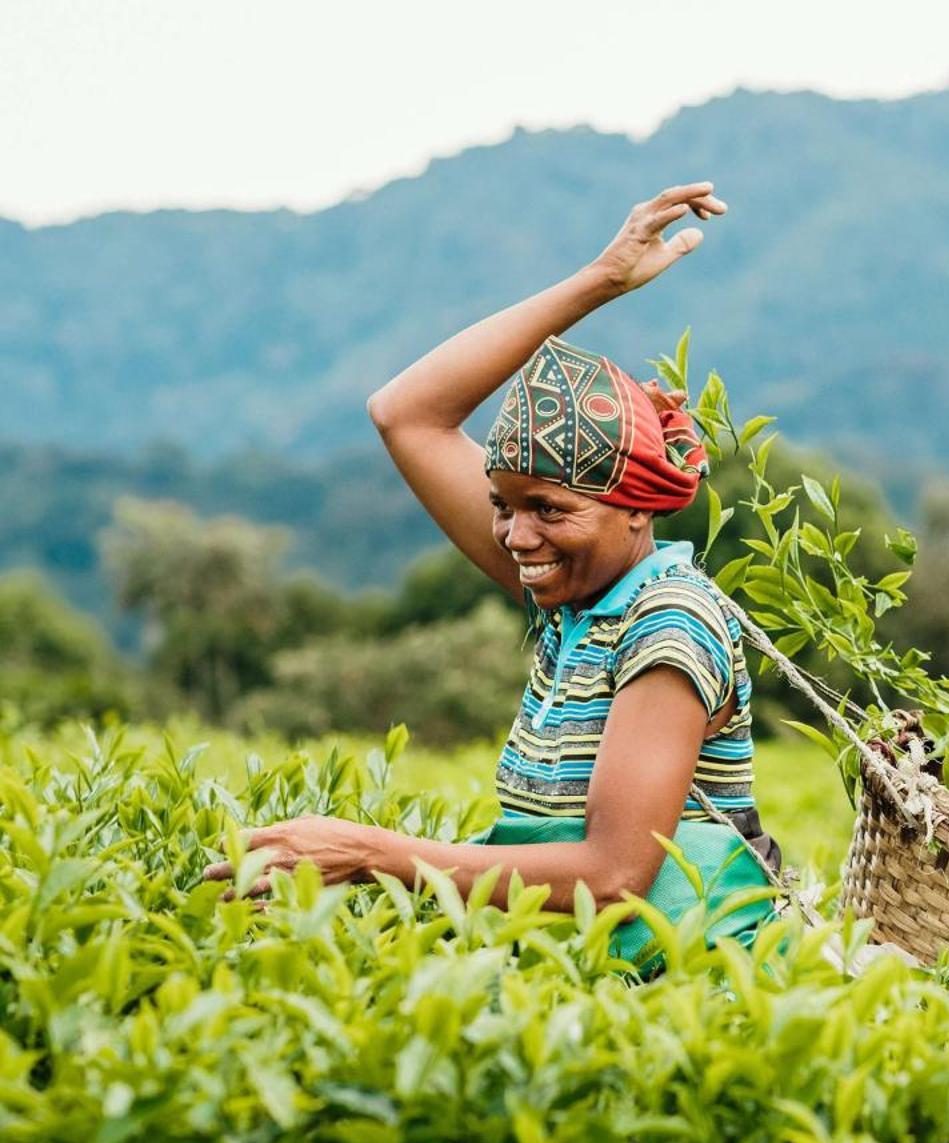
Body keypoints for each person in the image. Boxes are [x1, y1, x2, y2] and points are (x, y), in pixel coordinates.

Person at [203, 181, 780, 966]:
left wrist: (369, 851)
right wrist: (600, 279)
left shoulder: (666, 622)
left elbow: (614, 878)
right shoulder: (576, 596)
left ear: (636, 509)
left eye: (547, 507)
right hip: (585, 965)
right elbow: (405, 412)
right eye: (501, 506)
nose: (515, 535)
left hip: (692, 974)